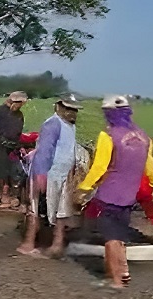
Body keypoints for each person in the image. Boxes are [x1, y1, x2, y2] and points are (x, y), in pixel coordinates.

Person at [75, 95, 153, 288]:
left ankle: (117, 280)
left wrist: (84, 188)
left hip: (110, 194)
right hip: (129, 196)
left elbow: (99, 167)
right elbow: (150, 167)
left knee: (111, 239)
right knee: (119, 236)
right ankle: (121, 272)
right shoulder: (144, 137)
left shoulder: (108, 136)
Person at [17, 94, 89, 258]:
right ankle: (28, 243)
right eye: (68, 109)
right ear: (59, 107)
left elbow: (69, 150)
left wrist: (72, 171)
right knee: (35, 208)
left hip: (62, 174)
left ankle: (57, 243)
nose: (72, 113)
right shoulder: (52, 124)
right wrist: (41, 175)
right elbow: (44, 151)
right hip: (47, 172)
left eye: (74, 110)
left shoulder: (70, 126)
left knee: (62, 210)